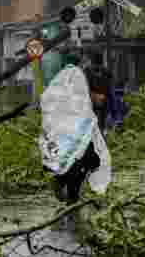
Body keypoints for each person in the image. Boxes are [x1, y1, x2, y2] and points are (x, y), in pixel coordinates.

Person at [39, 55, 113, 206]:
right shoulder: (76, 99)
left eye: (104, 94)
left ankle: (67, 190)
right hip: (68, 138)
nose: (102, 98)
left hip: (80, 137)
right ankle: (70, 197)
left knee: (93, 160)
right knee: (78, 163)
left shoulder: (95, 99)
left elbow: (100, 120)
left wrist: (100, 136)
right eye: (99, 94)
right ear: (91, 90)